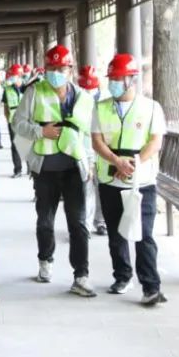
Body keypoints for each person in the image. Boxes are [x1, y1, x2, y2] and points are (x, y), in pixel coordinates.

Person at [12, 45, 96, 297]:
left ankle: (81, 275)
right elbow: (18, 123)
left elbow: (89, 133)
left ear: (70, 69)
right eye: (51, 68)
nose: (56, 73)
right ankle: (45, 261)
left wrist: (90, 162)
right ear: (45, 69)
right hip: (45, 168)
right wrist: (40, 131)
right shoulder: (34, 92)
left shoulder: (83, 97)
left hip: (74, 167)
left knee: (78, 223)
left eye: (61, 68)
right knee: (45, 220)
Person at [92, 54, 168, 306]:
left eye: (118, 78)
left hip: (141, 181)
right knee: (116, 234)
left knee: (144, 234)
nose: (113, 83)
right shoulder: (100, 107)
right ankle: (122, 276)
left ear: (131, 80)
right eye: (111, 78)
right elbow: (97, 141)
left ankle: (151, 287)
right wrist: (116, 162)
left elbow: (155, 141)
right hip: (110, 179)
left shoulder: (151, 107)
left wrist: (134, 163)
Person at [78, 65, 108, 236]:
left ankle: (101, 221)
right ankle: (86, 225)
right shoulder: (77, 100)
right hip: (85, 150)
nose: (88, 90)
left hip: (103, 151)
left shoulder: (107, 100)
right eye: (85, 87)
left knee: (101, 188)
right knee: (87, 189)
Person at [2, 63, 25, 178]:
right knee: (15, 145)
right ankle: (18, 170)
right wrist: (8, 119)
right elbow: (5, 107)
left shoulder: (28, 88)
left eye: (13, 75)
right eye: (11, 75)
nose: (11, 77)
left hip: (27, 120)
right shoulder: (7, 90)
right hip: (13, 121)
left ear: (20, 75)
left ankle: (31, 169)